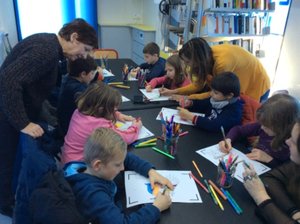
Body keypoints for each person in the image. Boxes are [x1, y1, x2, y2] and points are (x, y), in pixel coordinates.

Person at [0, 18, 97, 216]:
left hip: (14, 109)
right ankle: (5, 203)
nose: (83, 55)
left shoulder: (51, 48)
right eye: (85, 49)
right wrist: (23, 123)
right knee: (7, 159)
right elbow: (8, 80)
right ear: (74, 37)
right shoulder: (46, 51)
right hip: (7, 112)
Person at [64, 127, 173, 223]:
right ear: (98, 165)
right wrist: (156, 208)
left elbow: (126, 158)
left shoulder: (90, 167)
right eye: (117, 165)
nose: (122, 167)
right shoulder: (93, 196)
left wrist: (150, 171)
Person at [159, 38, 270, 102]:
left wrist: (187, 98)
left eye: (188, 62)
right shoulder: (206, 57)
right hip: (242, 79)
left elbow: (217, 93)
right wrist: (172, 92)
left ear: (197, 59)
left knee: (248, 119)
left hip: (257, 84)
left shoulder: (222, 64)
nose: (188, 66)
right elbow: (198, 85)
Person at [61, 81, 140, 165]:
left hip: (67, 159)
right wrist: (136, 127)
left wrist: (117, 115)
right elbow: (123, 139)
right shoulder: (100, 125)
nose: (115, 111)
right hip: (79, 167)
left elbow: (99, 111)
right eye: (114, 110)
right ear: (101, 109)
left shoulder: (78, 111)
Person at [242, 117, 300, 224]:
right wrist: (294, 212)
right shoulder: (295, 164)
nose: (287, 141)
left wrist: (261, 197)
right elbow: (271, 177)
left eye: (294, 141)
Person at [219, 94, 300, 168]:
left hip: (270, 174)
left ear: (283, 126)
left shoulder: (293, 144)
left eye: (267, 126)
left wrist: (269, 160)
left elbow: (288, 171)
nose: (262, 127)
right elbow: (238, 130)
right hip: (253, 165)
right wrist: (228, 139)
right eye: (262, 123)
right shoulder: (265, 124)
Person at [177, 72, 243, 132]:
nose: (211, 94)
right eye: (211, 90)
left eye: (215, 93)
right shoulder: (217, 99)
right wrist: (191, 103)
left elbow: (214, 125)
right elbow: (203, 104)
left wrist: (191, 117)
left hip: (217, 140)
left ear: (229, 95)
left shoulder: (234, 111)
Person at [57, 55, 97, 136]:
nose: (93, 76)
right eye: (92, 73)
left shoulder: (68, 78)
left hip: (63, 125)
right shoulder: (78, 90)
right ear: (83, 74)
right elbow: (92, 109)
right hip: (71, 130)